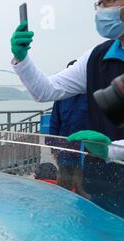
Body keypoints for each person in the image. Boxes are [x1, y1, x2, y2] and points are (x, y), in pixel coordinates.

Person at [10, 1, 124, 215]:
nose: (103, 8)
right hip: (98, 177)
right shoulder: (97, 57)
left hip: (109, 162)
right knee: (94, 234)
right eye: (101, 3)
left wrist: (111, 149)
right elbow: (46, 90)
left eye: (110, 1)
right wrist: (22, 60)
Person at [48, 60, 90, 197]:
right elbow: (54, 121)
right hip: (63, 149)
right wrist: (53, 146)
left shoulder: (91, 95)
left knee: (81, 186)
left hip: (84, 151)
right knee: (63, 184)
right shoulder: (61, 96)